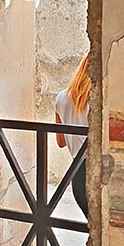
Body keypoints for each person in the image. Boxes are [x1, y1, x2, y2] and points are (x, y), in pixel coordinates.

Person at [54, 53, 90, 218]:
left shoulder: (61, 98)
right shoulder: (98, 99)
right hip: (98, 170)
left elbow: (61, 141)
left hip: (77, 173)